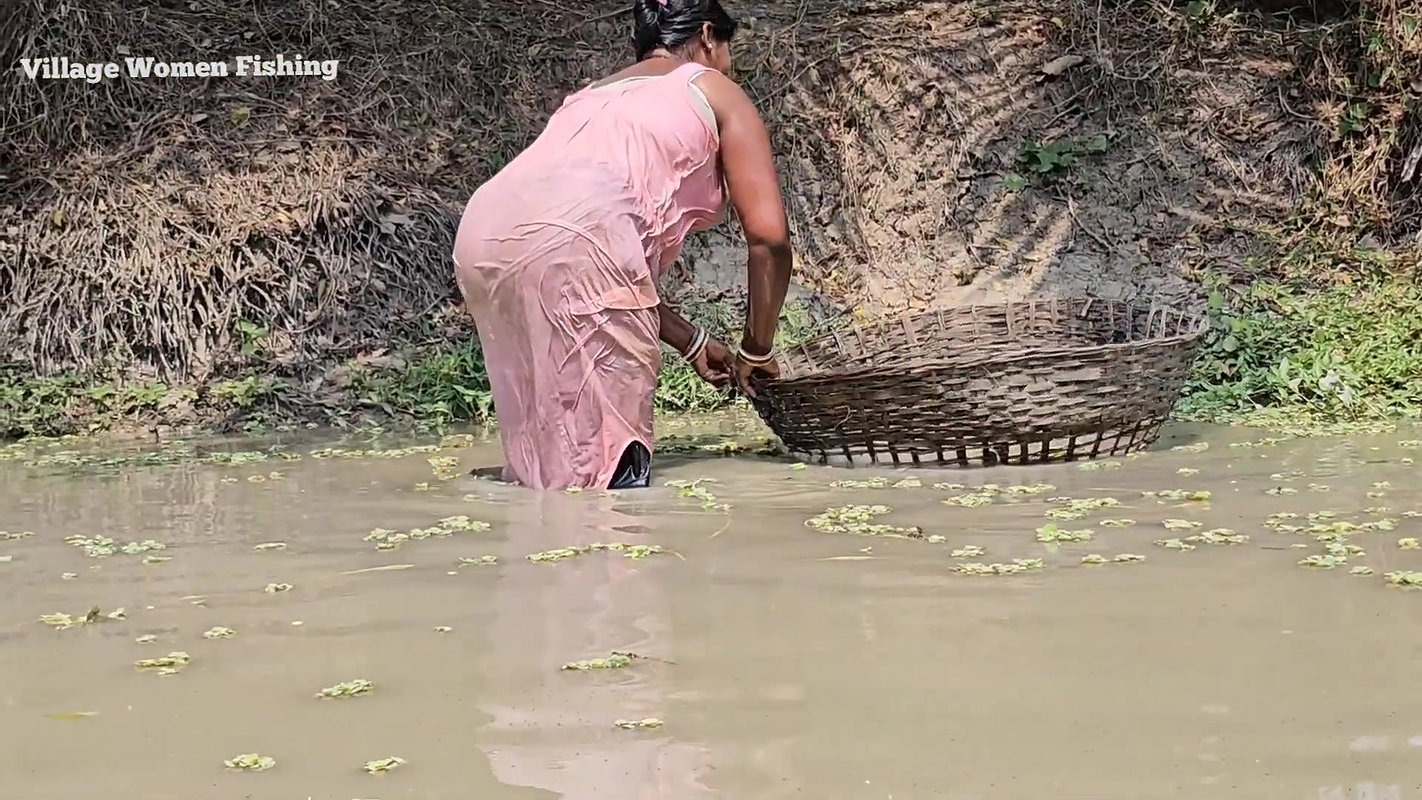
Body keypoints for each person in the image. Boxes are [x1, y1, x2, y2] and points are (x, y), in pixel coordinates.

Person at [451, 0, 793, 491]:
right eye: (727, 50)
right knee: (607, 471)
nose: (728, 65)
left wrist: (692, 343)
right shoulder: (713, 88)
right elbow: (769, 240)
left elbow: (593, 257)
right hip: (578, 244)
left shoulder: (588, 96)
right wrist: (756, 351)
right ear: (706, 36)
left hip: (485, 234)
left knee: (541, 445)